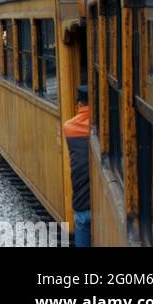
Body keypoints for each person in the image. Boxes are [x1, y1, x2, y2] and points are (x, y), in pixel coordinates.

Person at [64, 86, 92, 247]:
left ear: (79, 105)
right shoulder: (105, 126)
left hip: (81, 200)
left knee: (81, 222)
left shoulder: (69, 127)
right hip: (105, 202)